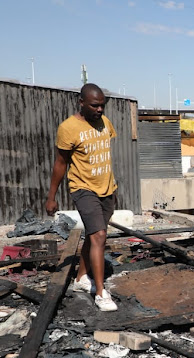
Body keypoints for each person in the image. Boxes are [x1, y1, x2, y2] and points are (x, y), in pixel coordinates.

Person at [45, 83, 118, 312]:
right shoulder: (68, 128)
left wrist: (113, 187)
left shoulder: (105, 123)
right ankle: (100, 292)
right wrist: (51, 196)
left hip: (107, 188)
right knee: (99, 236)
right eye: (94, 105)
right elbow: (61, 163)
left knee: (95, 236)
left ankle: (79, 279)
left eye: (102, 106)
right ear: (81, 102)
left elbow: (103, 155)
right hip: (82, 188)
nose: (99, 110)